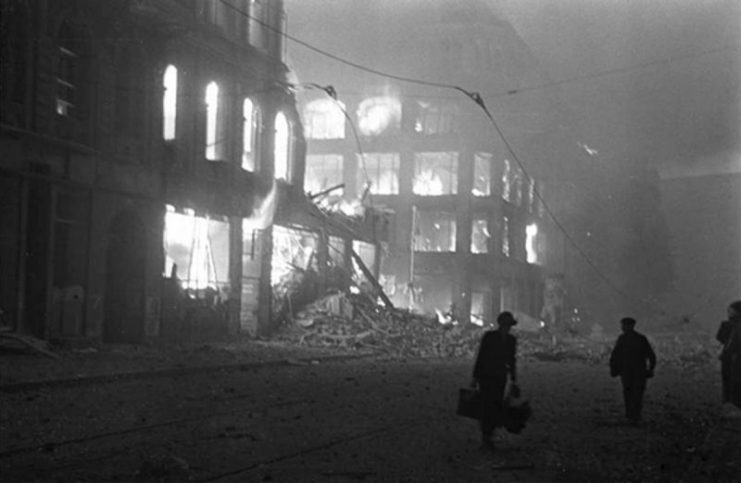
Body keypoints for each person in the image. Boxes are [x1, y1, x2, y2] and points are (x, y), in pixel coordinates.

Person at [471, 311, 518, 449]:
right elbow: (481, 357)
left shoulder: (510, 340)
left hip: (500, 377)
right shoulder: (489, 338)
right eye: (507, 325)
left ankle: (488, 435)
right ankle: (486, 435)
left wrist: (514, 378)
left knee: (495, 403)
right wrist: (475, 377)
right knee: (486, 404)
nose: (508, 327)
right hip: (487, 376)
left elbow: (511, 360)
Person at [609, 317, 657, 425]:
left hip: (627, 372)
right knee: (637, 394)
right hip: (639, 372)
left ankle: (630, 415)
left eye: (623, 325)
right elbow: (651, 355)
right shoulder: (641, 339)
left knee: (628, 393)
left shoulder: (622, 339)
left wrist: (614, 369)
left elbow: (615, 356)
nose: (622, 327)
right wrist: (651, 369)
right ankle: (635, 415)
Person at [717, 300, 741, 409]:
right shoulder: (731, 325)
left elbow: (731, 342)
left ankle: (732, 402)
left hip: (734, 358)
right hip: (731, 358)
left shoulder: (737, 326)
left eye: (731, 311)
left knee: (733, 381)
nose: (729, 313)